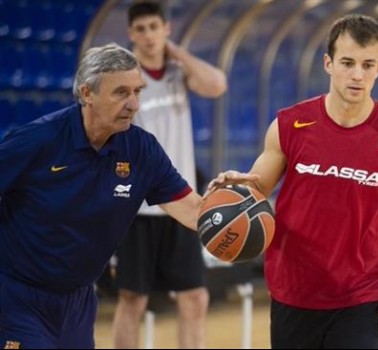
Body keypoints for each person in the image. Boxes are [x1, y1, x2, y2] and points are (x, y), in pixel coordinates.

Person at [207, 14, 378, 349]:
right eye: (347, 63)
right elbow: (256, 189)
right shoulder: (289, 125)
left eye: (368, 65)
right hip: (293, 289)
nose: (357, 75)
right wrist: (235, 188)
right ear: (328, 63)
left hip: (361, 294)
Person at [0, 43, 208, 349]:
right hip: (18, 296)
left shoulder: (142, 149)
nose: (134, 104)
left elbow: (192, 211)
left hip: (79, 302)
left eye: (138, 91)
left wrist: (230, 202)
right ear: (87, 94)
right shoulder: (38, 140)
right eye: (121, 92)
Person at [110, 2, 227, 349]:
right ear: (131, 34)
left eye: (154, 27)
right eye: (141, 29)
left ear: (166, 29)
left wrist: (175, 52)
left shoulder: (178, 73)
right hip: (136, 207)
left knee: (195, 297)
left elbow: (217, 84)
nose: (148, 35)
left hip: (181, 203)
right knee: (133, 299)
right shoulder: (124, 77)